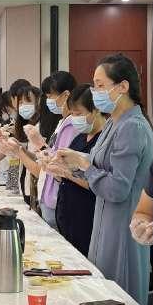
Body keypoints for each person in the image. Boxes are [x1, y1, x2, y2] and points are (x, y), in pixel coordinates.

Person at [54, 55, 153, 305]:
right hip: (104, 222)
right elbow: (100, 165)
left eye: (100, 86)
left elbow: (118, 188)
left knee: (119, 302)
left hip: (123, 227)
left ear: (122, 87)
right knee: (101, 293)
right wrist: (74, 161)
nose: (95, 92)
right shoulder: (113, 123)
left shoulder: (133, 127)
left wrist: (85, 165)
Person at [52, 85, 105, 256]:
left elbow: (97, 182)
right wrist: (56, 169)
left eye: (79, 114)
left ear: (95, 110)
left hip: (86, 215)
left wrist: (67, 174)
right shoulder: (79, 138)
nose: (75, 119)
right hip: (67, 213)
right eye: (72, 114)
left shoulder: (103, 141)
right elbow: (67, 171)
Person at [34, 71, 77, 230]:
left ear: (66, 95)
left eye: (51, 96)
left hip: (57, 197)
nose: (48, 101)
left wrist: (40, 145)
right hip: (48, 196)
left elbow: (61, 161)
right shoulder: (61, 122)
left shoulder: (72, 124)